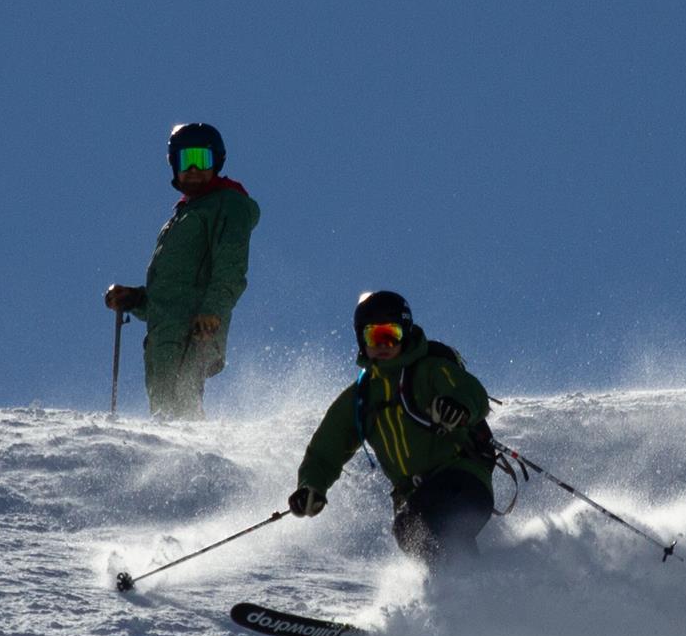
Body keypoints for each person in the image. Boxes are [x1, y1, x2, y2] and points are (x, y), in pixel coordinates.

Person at [289, 290, 501, 561]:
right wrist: (311, 487)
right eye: (374, 336)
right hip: (413, 497)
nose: (384, 345)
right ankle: (456, 595)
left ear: (406, 334)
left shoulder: (430, 370)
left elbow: (471, 392)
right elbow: (325, 450)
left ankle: (472, 587)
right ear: (361, 340)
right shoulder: (360, 397)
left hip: (462, 478)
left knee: (435, 518)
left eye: (392, 335)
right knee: (408, 531)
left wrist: (457, 407)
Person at [103, 122, 256, 420]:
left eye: (204, 158)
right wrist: (135, 299)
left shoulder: (227, 205)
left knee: (182, 403)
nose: (195, 167)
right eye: (187, 160)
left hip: (197, 327)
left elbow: (231, 267)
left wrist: (213, 310)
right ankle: (175, 458)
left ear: (218, 162)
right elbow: (172, 292)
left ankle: (193, 457)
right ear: (174, 166)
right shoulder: (182, 216)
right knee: (164, 406)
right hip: (165, 333)